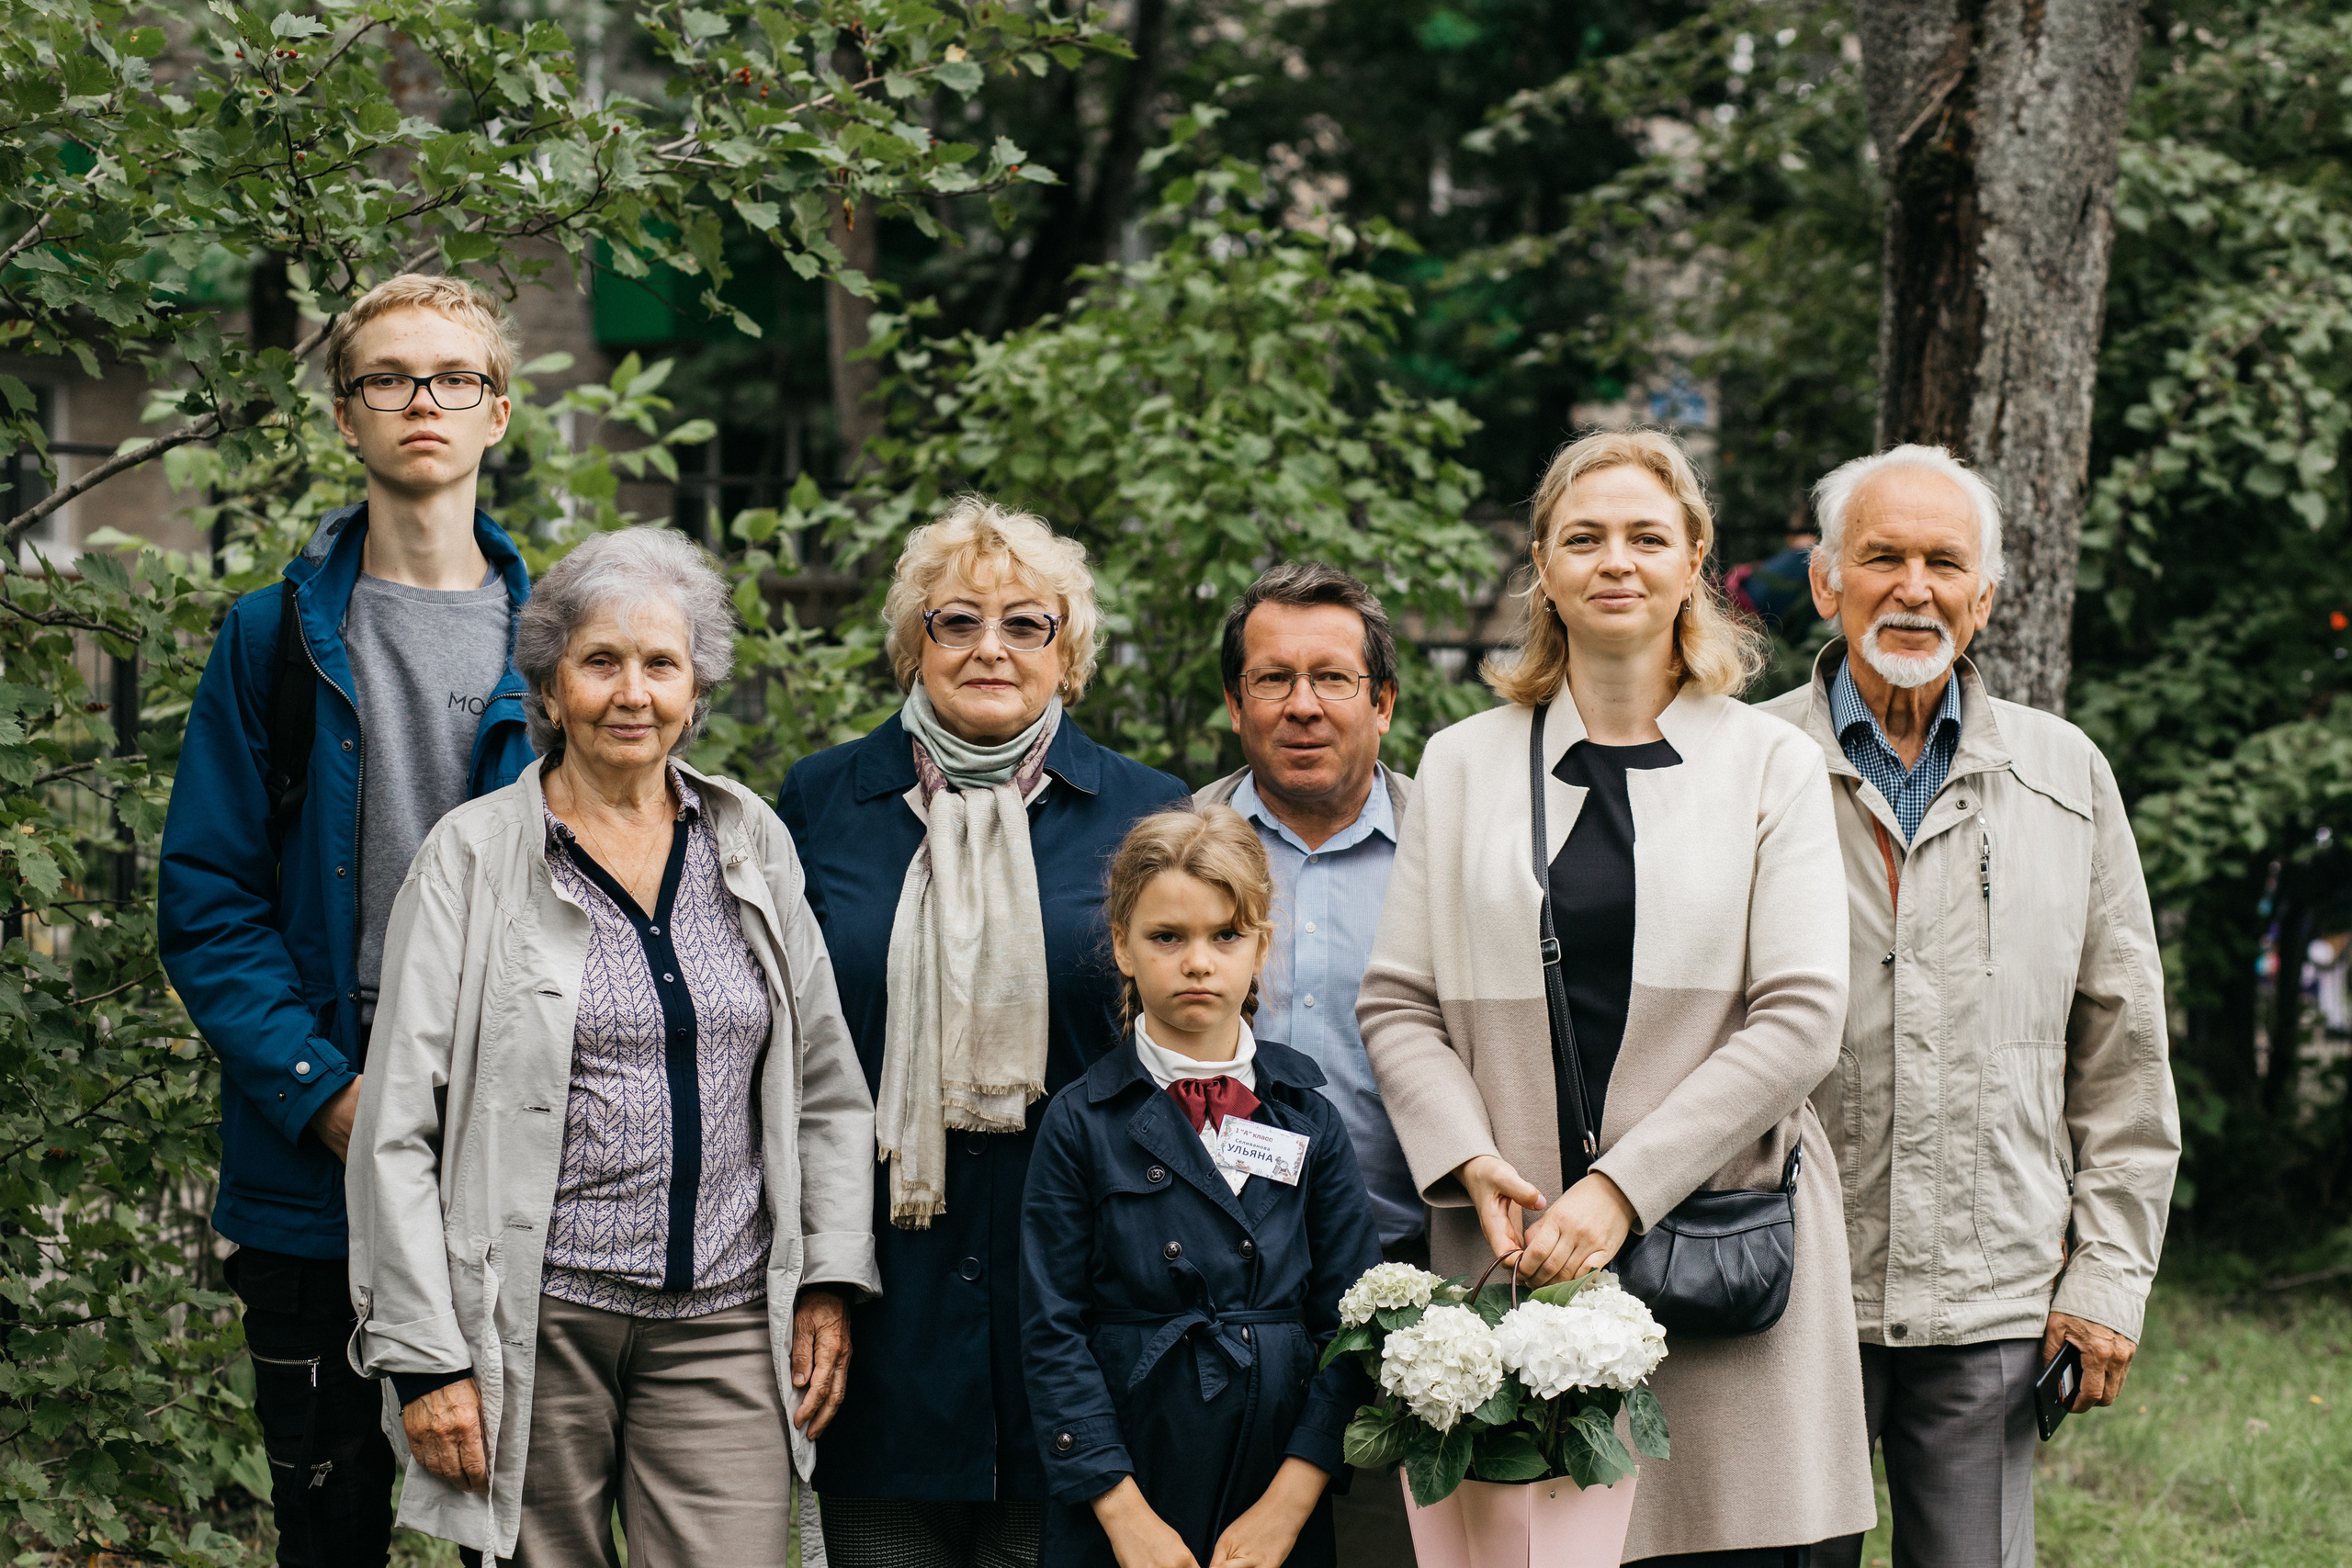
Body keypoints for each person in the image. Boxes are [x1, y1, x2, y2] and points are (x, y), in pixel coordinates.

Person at [1360, 428, 1874, 1565]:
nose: (1616, 561)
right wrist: (1465, 1159)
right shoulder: (1462, 763)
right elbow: (1397, 1003)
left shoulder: (1770, 764)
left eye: (1647, 537)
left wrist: (1620, 1193)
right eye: (1583, 538)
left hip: (1718, 1257)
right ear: (1542, 566)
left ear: (1693, 561)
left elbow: (1800, 1018)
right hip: (1519, 1255)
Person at [345, 526, 879, 1565]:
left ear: (695, 690)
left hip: (725, 1317)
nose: (631, 693)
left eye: (660, 664)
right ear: (550, 690)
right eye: (600, 662)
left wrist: (827, 1275)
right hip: (537, 1322)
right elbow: (398, 1127)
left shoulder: (750, 840)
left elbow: (824, 1083)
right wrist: (424, 1358)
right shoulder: (470, 859)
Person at [159, 274, 536, 1568]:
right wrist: (322, 1092)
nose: (422, 400)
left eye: (454, 377)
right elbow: (208, 901)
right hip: (319, 1136)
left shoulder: (565, 644)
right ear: (344, 415)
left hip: (514, 1122)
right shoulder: (271, 638)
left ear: (497, 411)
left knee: (518, 1527)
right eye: (388, 377)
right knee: (324, 1527)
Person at [1761, 446, 2180, 1568]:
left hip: (1993, 1297)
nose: (1913, 588)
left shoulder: (2064, 773)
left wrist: (2105, 1278)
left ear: (1983, 597)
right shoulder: (1744, 764)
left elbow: (2125, 1060)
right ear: (1826, 581)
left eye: (1944, 563)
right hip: (1785, 1289)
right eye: (1881, 557)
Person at [777, 498, 1191, 1568]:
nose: (990, 648)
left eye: (1025, 624)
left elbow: (1191, 1062)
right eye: (956, 620)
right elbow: (784, 1059)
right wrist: (815, 1272)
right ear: (913, 643)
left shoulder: (1147, 812)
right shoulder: (820, 803)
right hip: (881, 1305)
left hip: (1082, 1306)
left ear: (1069, 651)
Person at [1021, 806, 1383, 1568]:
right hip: (1129, 1470)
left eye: (1225, 935)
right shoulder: (1079, 1120)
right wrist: (1123, 1515)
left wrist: (1290, 1504)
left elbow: (1353, 1324)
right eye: (1167, 936)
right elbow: (1052, 1332)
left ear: (1262, 947)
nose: (1197, 961)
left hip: (1273, 1472)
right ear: (1122, 945)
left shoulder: (1308, 1116)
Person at [1193, 563, 1422, 1564]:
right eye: (1272, 679)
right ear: (1234, 702)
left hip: (1415, 1278)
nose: (1302, 705)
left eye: (1332, 677)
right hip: (1217, 1294)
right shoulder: (1180, 845)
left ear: (1382, 701)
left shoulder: (1449, 848)